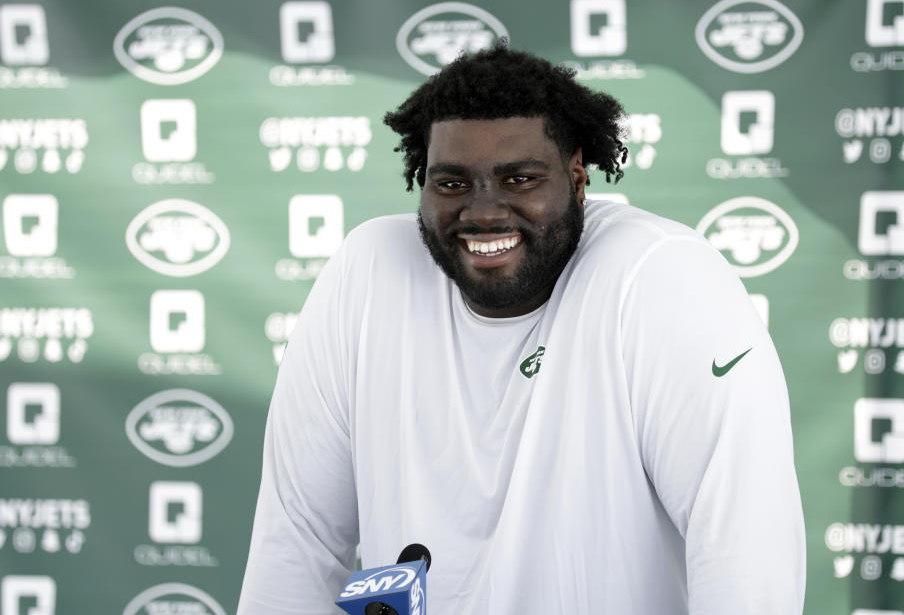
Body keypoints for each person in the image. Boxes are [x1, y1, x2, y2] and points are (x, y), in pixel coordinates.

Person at [238, 44, 805, 614]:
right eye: (453, 183)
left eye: (519, 178)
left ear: (577, 175)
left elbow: (747, 555)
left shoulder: (662, 276)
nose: (484, 211)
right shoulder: (368, 269)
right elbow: (296, 542)